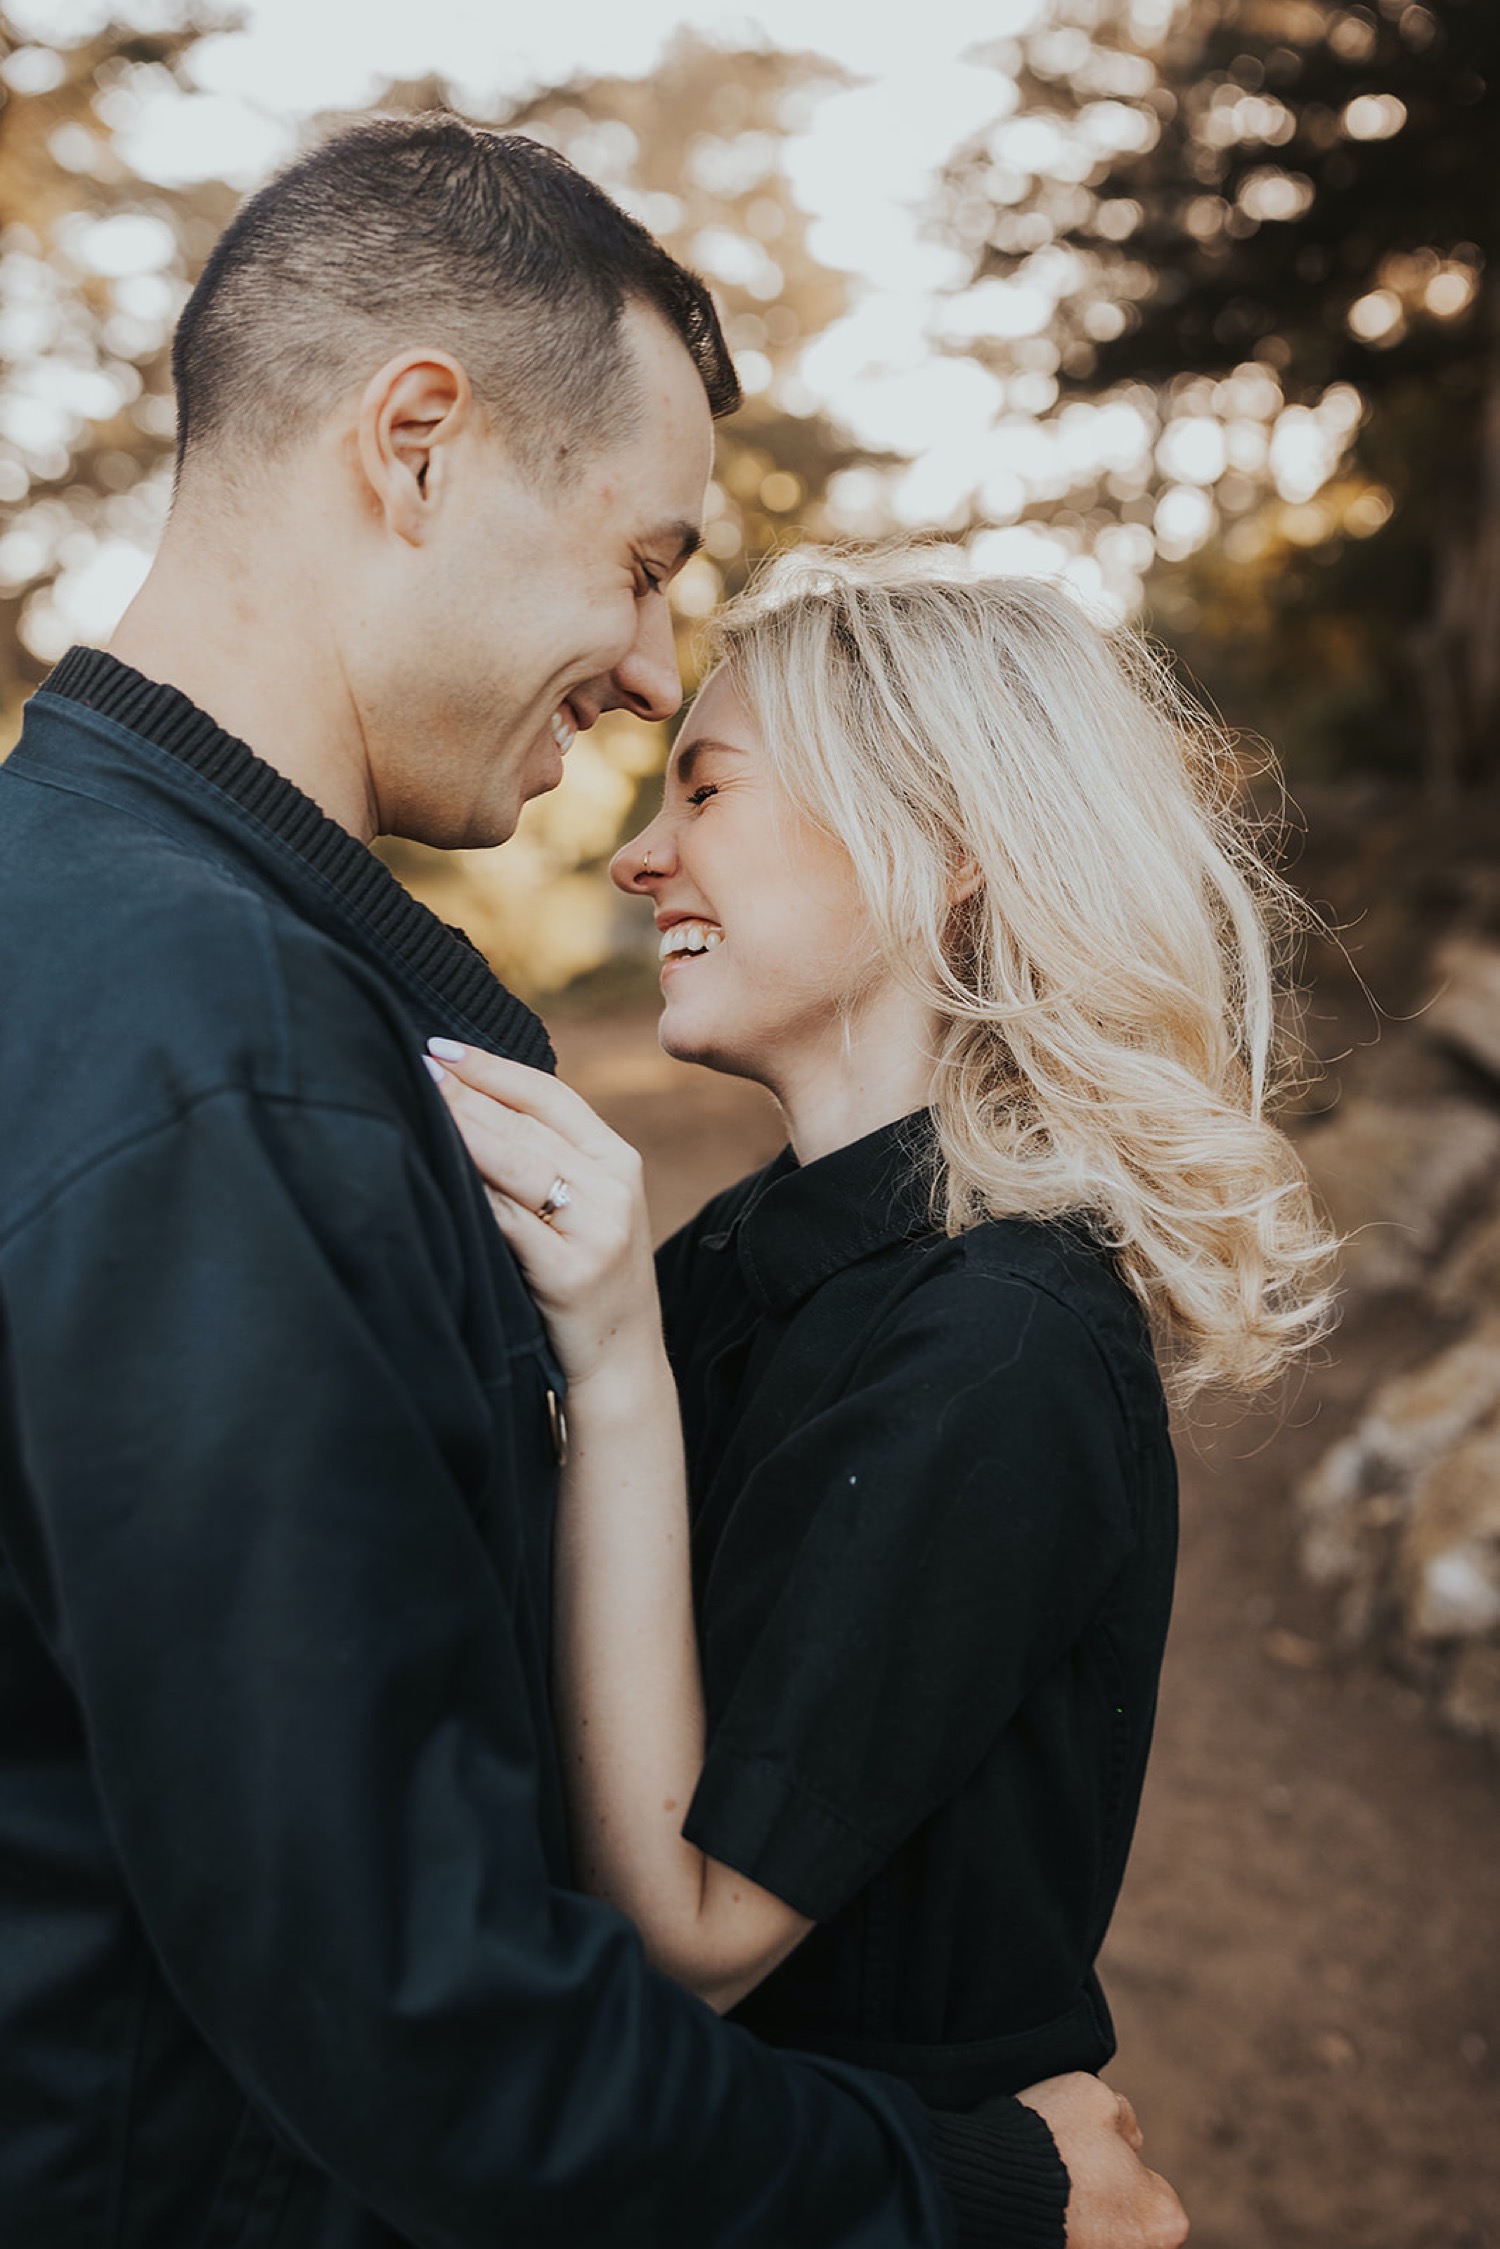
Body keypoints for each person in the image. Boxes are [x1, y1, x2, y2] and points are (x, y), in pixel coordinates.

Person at [0, 115, 1188, 2249]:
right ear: (418, 444)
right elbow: (406, 1999)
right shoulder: (224, 1055)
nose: (652, 671)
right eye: (646, 561)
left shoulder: (156, 968)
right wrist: (960, 2195)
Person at [429, 546, 1338, 2129]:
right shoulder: (755, 1246)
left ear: (941, 841)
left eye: (703, 790)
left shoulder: (1005, 1343)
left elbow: (695, 1938)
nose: (641, 855)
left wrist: (617, 1370)